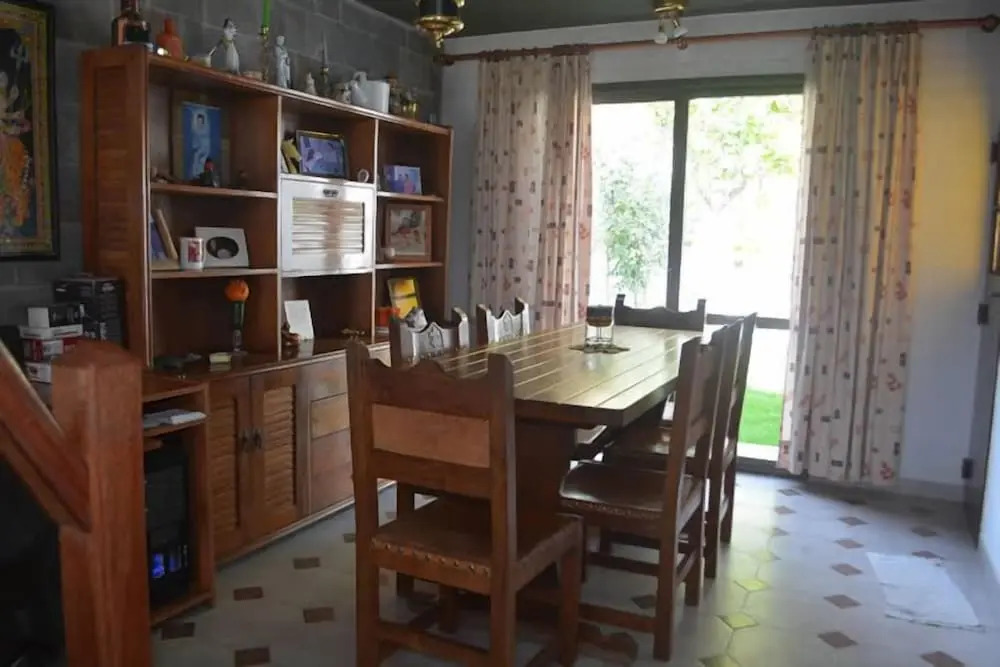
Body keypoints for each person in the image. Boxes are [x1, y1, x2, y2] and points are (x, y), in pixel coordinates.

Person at [189, 111, 211, 180]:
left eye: (201, 122)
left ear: (203, 122)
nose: (199, 123)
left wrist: (204, 157)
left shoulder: (205, 134)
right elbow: (194, 145)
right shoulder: (195, 132)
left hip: (203, 156)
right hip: (197, 155)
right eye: (198, 122)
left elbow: (207, 147)